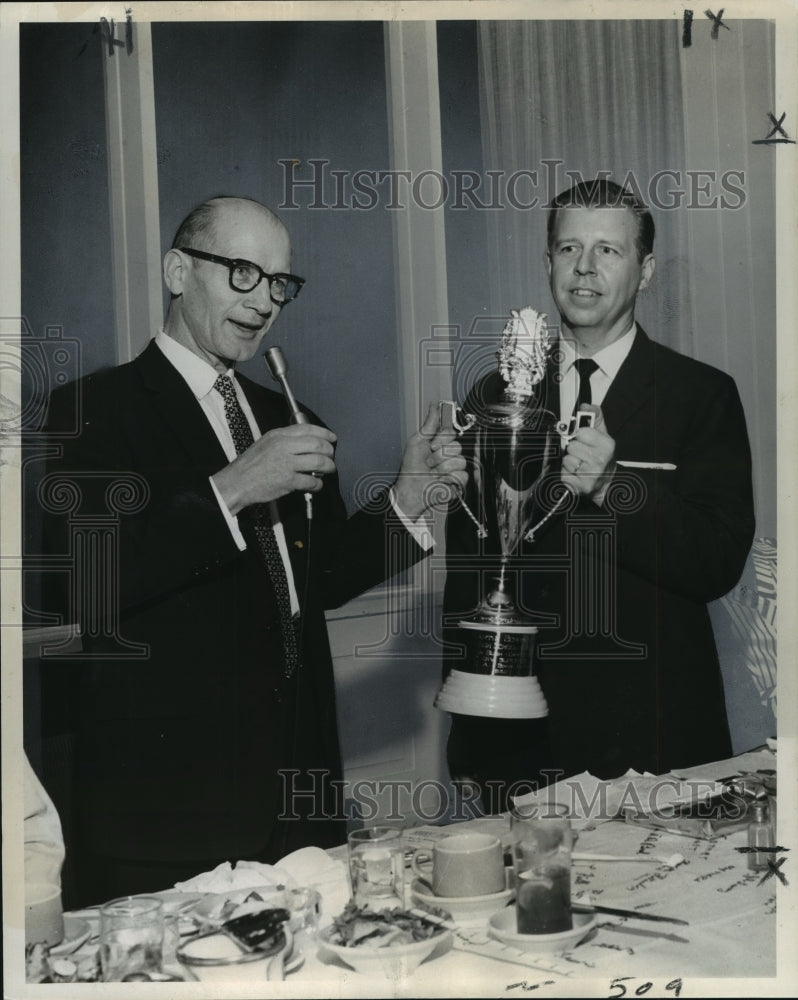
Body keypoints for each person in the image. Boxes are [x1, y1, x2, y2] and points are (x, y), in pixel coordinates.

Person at [38, 196, 466, 905]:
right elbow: (87, 581)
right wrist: (232, 489)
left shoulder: (284, 417)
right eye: (242, 272)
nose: (265, 300)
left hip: (300, 802)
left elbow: (316, 575)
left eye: (279, 283)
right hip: (168, 820)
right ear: (179, 271)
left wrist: (407, 499)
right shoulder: (87, 416)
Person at [442, 179, 755, 812]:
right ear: (547, 263)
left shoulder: (701, 395)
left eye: (608, 251)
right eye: (568, 248)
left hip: (652, 738)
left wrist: (617, 488)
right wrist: (469, 731)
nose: (584, 268)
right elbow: (470, 571)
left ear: (645, 270)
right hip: (516, 741)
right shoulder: (494, 396)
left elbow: (717, 562)